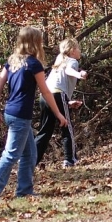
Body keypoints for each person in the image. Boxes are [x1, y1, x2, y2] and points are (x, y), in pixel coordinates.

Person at [0, 27, 67, 202]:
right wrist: (58, 114)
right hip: (19, 115)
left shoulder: (12, 61)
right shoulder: (34, 64)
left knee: (30, 154)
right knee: (10, 154)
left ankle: (24, 190)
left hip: (11, 113)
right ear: (35, 42)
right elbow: (46, 92)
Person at [35, 38, 87, 168]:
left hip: (45, 96)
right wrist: (80, 74)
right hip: (57, 95)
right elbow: (69, 71)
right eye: (78, 48)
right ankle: (70, 160)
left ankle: (30, 162)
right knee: (66, 127)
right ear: (72, 51)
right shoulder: (72, 61)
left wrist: (67, 102)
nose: (80, 51)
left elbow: (58, 81)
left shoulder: (59, 60)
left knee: (45, 131)